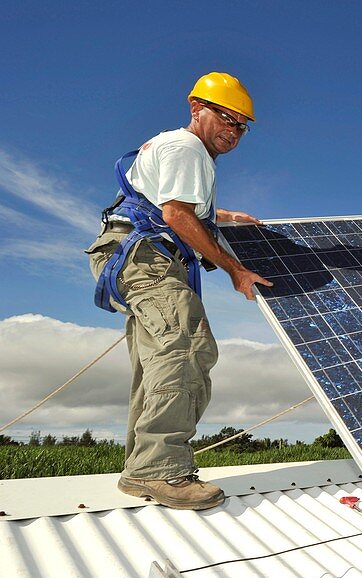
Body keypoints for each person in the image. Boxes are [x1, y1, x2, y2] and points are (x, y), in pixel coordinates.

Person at [86, 72, 272, 510]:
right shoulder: (187, 147)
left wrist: (224, 217)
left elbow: (172, 202)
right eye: (226, 118)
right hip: (146, 256)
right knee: (186, 348)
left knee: (158, 361)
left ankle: (143, 469)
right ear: (196, 108)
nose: (233, 131)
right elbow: (175, 214)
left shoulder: (176, 149)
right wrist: (234, 269)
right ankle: (161, 470)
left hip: (134, 253)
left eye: (241, 125)